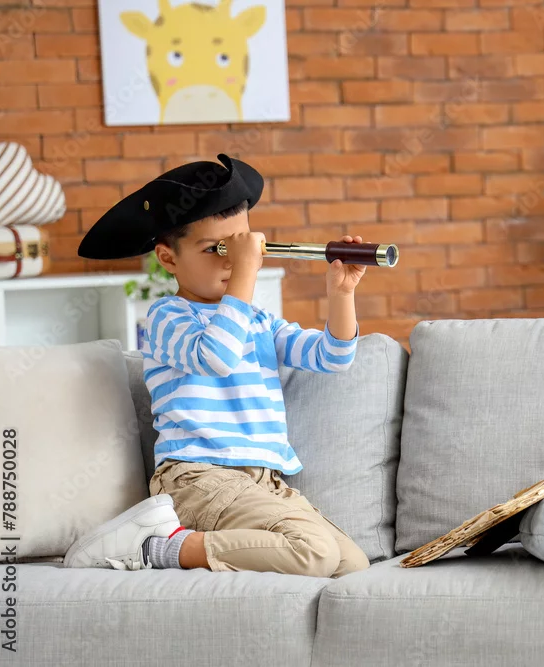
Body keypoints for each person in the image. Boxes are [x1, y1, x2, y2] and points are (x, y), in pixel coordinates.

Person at [64, 153, 370, 578]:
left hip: (262, 480)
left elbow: (332, 357)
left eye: (240, 247)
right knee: (314, 553)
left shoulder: (258, 320)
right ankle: (155, 546)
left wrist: (342, 294)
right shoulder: (168, 317)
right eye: (215, 249)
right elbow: (216, 357)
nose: (232, 261)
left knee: (352, 564)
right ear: (168, 259)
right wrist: (246, 273)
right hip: (198, 477)